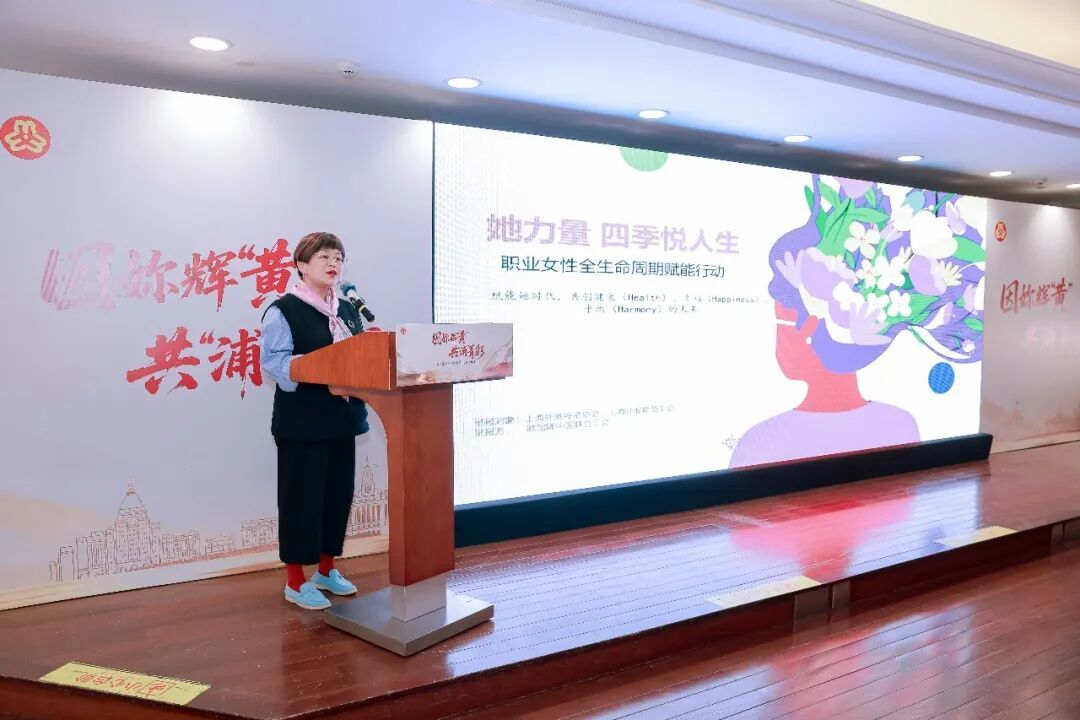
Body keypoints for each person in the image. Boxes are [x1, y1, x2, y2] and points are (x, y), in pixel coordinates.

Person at [730, 176, 985, 468]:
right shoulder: (901, 426)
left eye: (782, 321)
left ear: (813, 328)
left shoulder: (761, 444)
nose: (779, 338)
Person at [259, 231, 370, 610]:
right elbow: (275, 362)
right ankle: (295, 581)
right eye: (324, 256)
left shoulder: (348, 310)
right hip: (303, 422)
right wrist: (322, 367)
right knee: (301, 502)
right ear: (301, 265)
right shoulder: (284, 310)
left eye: (338, 257)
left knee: (336, 497)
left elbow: (361, 357)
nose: (333, 263)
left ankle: (326, 570)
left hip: (343, 418)